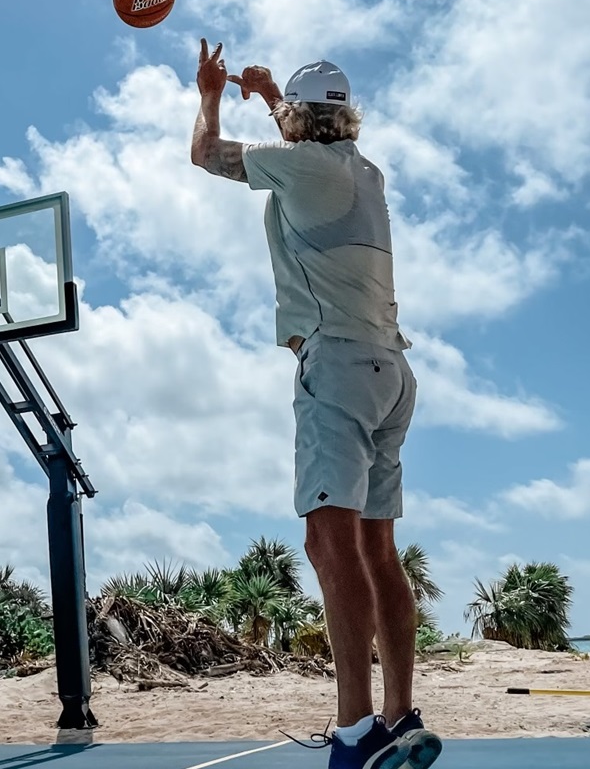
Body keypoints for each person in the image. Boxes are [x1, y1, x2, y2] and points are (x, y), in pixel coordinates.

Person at [189, 39, 443, 769]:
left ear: (299, 123)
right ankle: (400, 717)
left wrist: (210, 93)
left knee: (330, 546)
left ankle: (356, 734)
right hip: (392, 372)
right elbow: (307, 133)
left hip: (336, 367)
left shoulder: (299, 165)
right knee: (378, 550)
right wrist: (275, 96)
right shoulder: (365, 170)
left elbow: (206, 154)